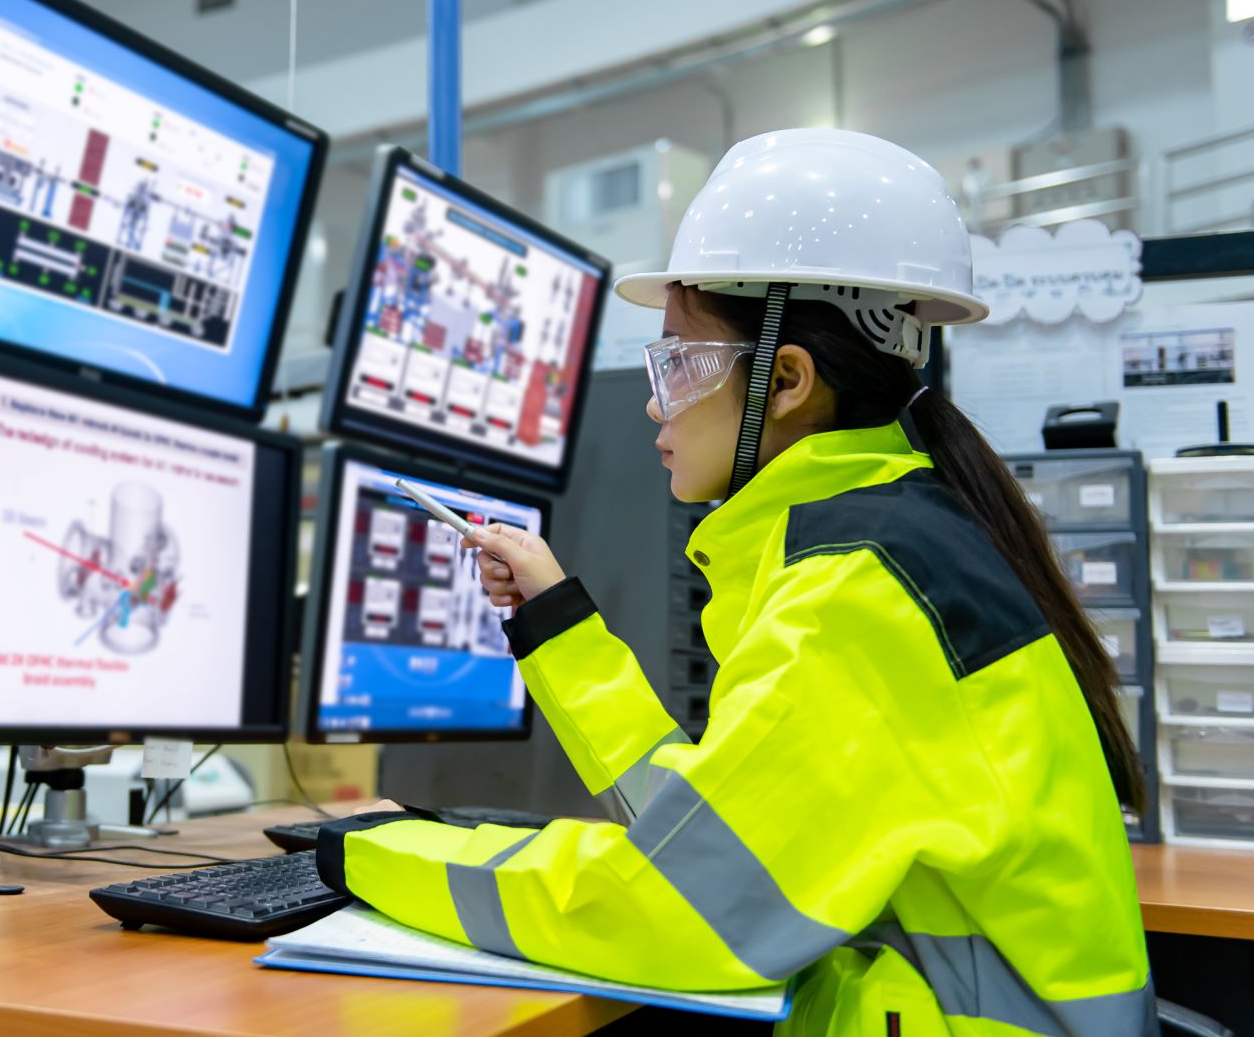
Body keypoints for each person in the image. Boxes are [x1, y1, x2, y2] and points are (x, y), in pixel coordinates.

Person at [313, 129, 1156, 1037]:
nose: (655, 399)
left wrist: (372, 850)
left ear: (786, 380)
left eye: (678, 359)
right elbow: (717, 839)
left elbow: (672, 908)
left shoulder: (859, 593)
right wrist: (558, 624)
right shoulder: (896, 541)